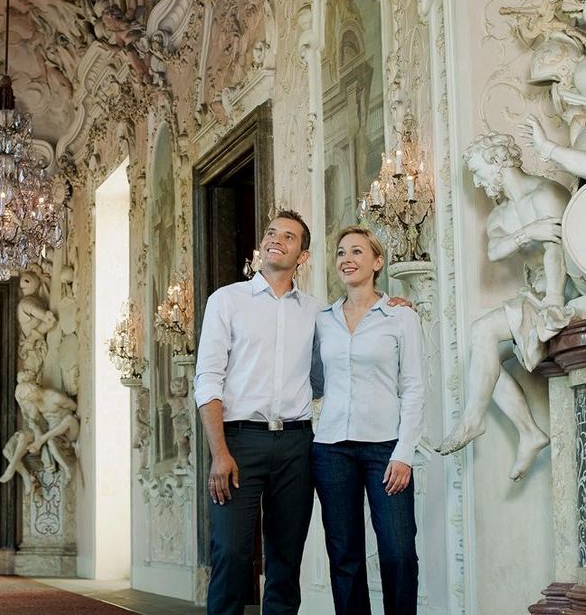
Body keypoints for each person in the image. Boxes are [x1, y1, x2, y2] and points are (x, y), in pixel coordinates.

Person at [195, 209, 320, 615]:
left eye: (289, 236)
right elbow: (208, 380)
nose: (276, 239)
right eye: (271, 232)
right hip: (239, 442)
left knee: (286, 562)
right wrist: (220, 452)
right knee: (230, 555)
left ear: (302, 256)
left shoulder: (317, 312)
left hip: (298, 445)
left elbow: (346, 348)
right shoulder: (226, 301)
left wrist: (391, 304)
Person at [437, 131, 571, 480]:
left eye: (480, 173)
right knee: (484, 354)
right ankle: (528, 432)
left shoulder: (547, 193)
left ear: (497, 161)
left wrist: (556, 302)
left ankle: (474, 420)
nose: (479, 184)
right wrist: (530, 232)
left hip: (565, 294)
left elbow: (558, 251)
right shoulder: (499, 216)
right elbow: (495, 250)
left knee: (482, 332)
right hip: (536, 296)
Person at [313, 225, 424, 615]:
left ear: (377, 262)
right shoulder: (322, 319)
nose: (347, 259)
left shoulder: (400, 317)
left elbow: (413, 387)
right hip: (330, 450)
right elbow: (310, 382)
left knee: (398, 553)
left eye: (357, 252)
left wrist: (404, 453)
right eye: (342, 252)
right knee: (344, 557)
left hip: (385, 450)